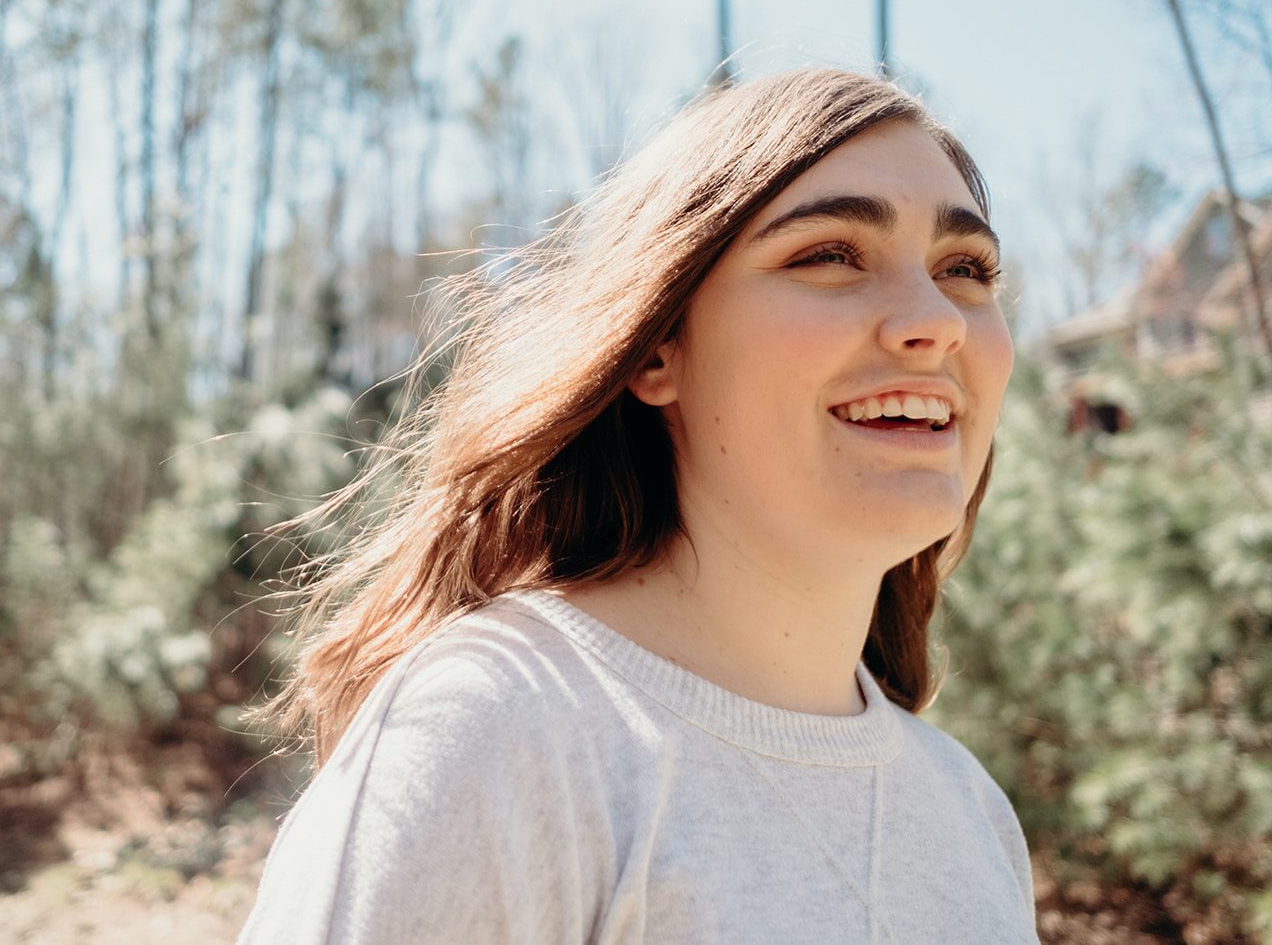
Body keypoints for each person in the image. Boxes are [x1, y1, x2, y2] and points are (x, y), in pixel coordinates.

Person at [236, 67, 1035, 943]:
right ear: (657, 344)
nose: (938, 320)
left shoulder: (971, 813)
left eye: (966, 268)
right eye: (831, 253)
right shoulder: (495, 732)